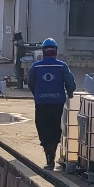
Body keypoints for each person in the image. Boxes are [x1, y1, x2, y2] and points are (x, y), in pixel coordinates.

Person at [27, 38, 76, 170]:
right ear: (56, 52)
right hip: (57, 103)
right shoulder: (62, 66)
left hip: (42, 103)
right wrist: (70, 93)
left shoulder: (36, 67)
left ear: (43, 52)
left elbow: (30, 83)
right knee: (55, 128)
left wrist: (37, 94)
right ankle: (52, 153)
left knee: (43, 128)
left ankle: (49, 157)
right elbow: (70, 83)